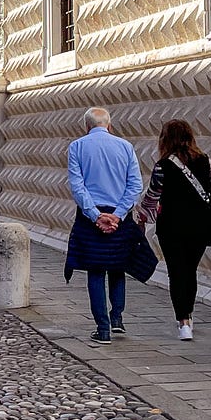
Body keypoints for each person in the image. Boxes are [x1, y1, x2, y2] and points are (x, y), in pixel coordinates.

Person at [135, 119, 211, 340]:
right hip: (199, 226)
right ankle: (188, 315)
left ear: (165, 139)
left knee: (176, 272)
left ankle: (183, 321)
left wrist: (141, 218)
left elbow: (153, 195)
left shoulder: (163, 166)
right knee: (190, 271)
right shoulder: (204, 161)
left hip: (171, 226)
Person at [65, 106, 146, 345]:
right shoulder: (126, 147)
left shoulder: (77, 147)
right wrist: (118, 215)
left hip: (91, 217)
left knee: (96, 271)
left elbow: (77, 186)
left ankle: (103, 329)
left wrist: (95, 215)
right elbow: (135, 186)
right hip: (119, 216)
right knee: (118, 267)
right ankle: (117, 317)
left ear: (86, 126)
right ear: (109, 126)